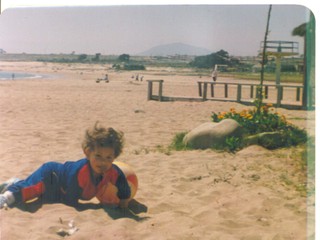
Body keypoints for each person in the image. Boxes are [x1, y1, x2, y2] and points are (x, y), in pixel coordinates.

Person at [0, 123, 131, 210]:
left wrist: (123, 205)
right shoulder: (80, 172)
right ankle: (7, 196)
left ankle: (15, 182)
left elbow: (123, 185)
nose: (103, 162)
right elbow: (70, 201)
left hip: (60, 191)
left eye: (108, 158)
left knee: (47, 197)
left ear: (114, 158)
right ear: (87, 152)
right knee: (32, 190)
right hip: (52, 175)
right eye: (98, 156)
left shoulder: (113, 172)